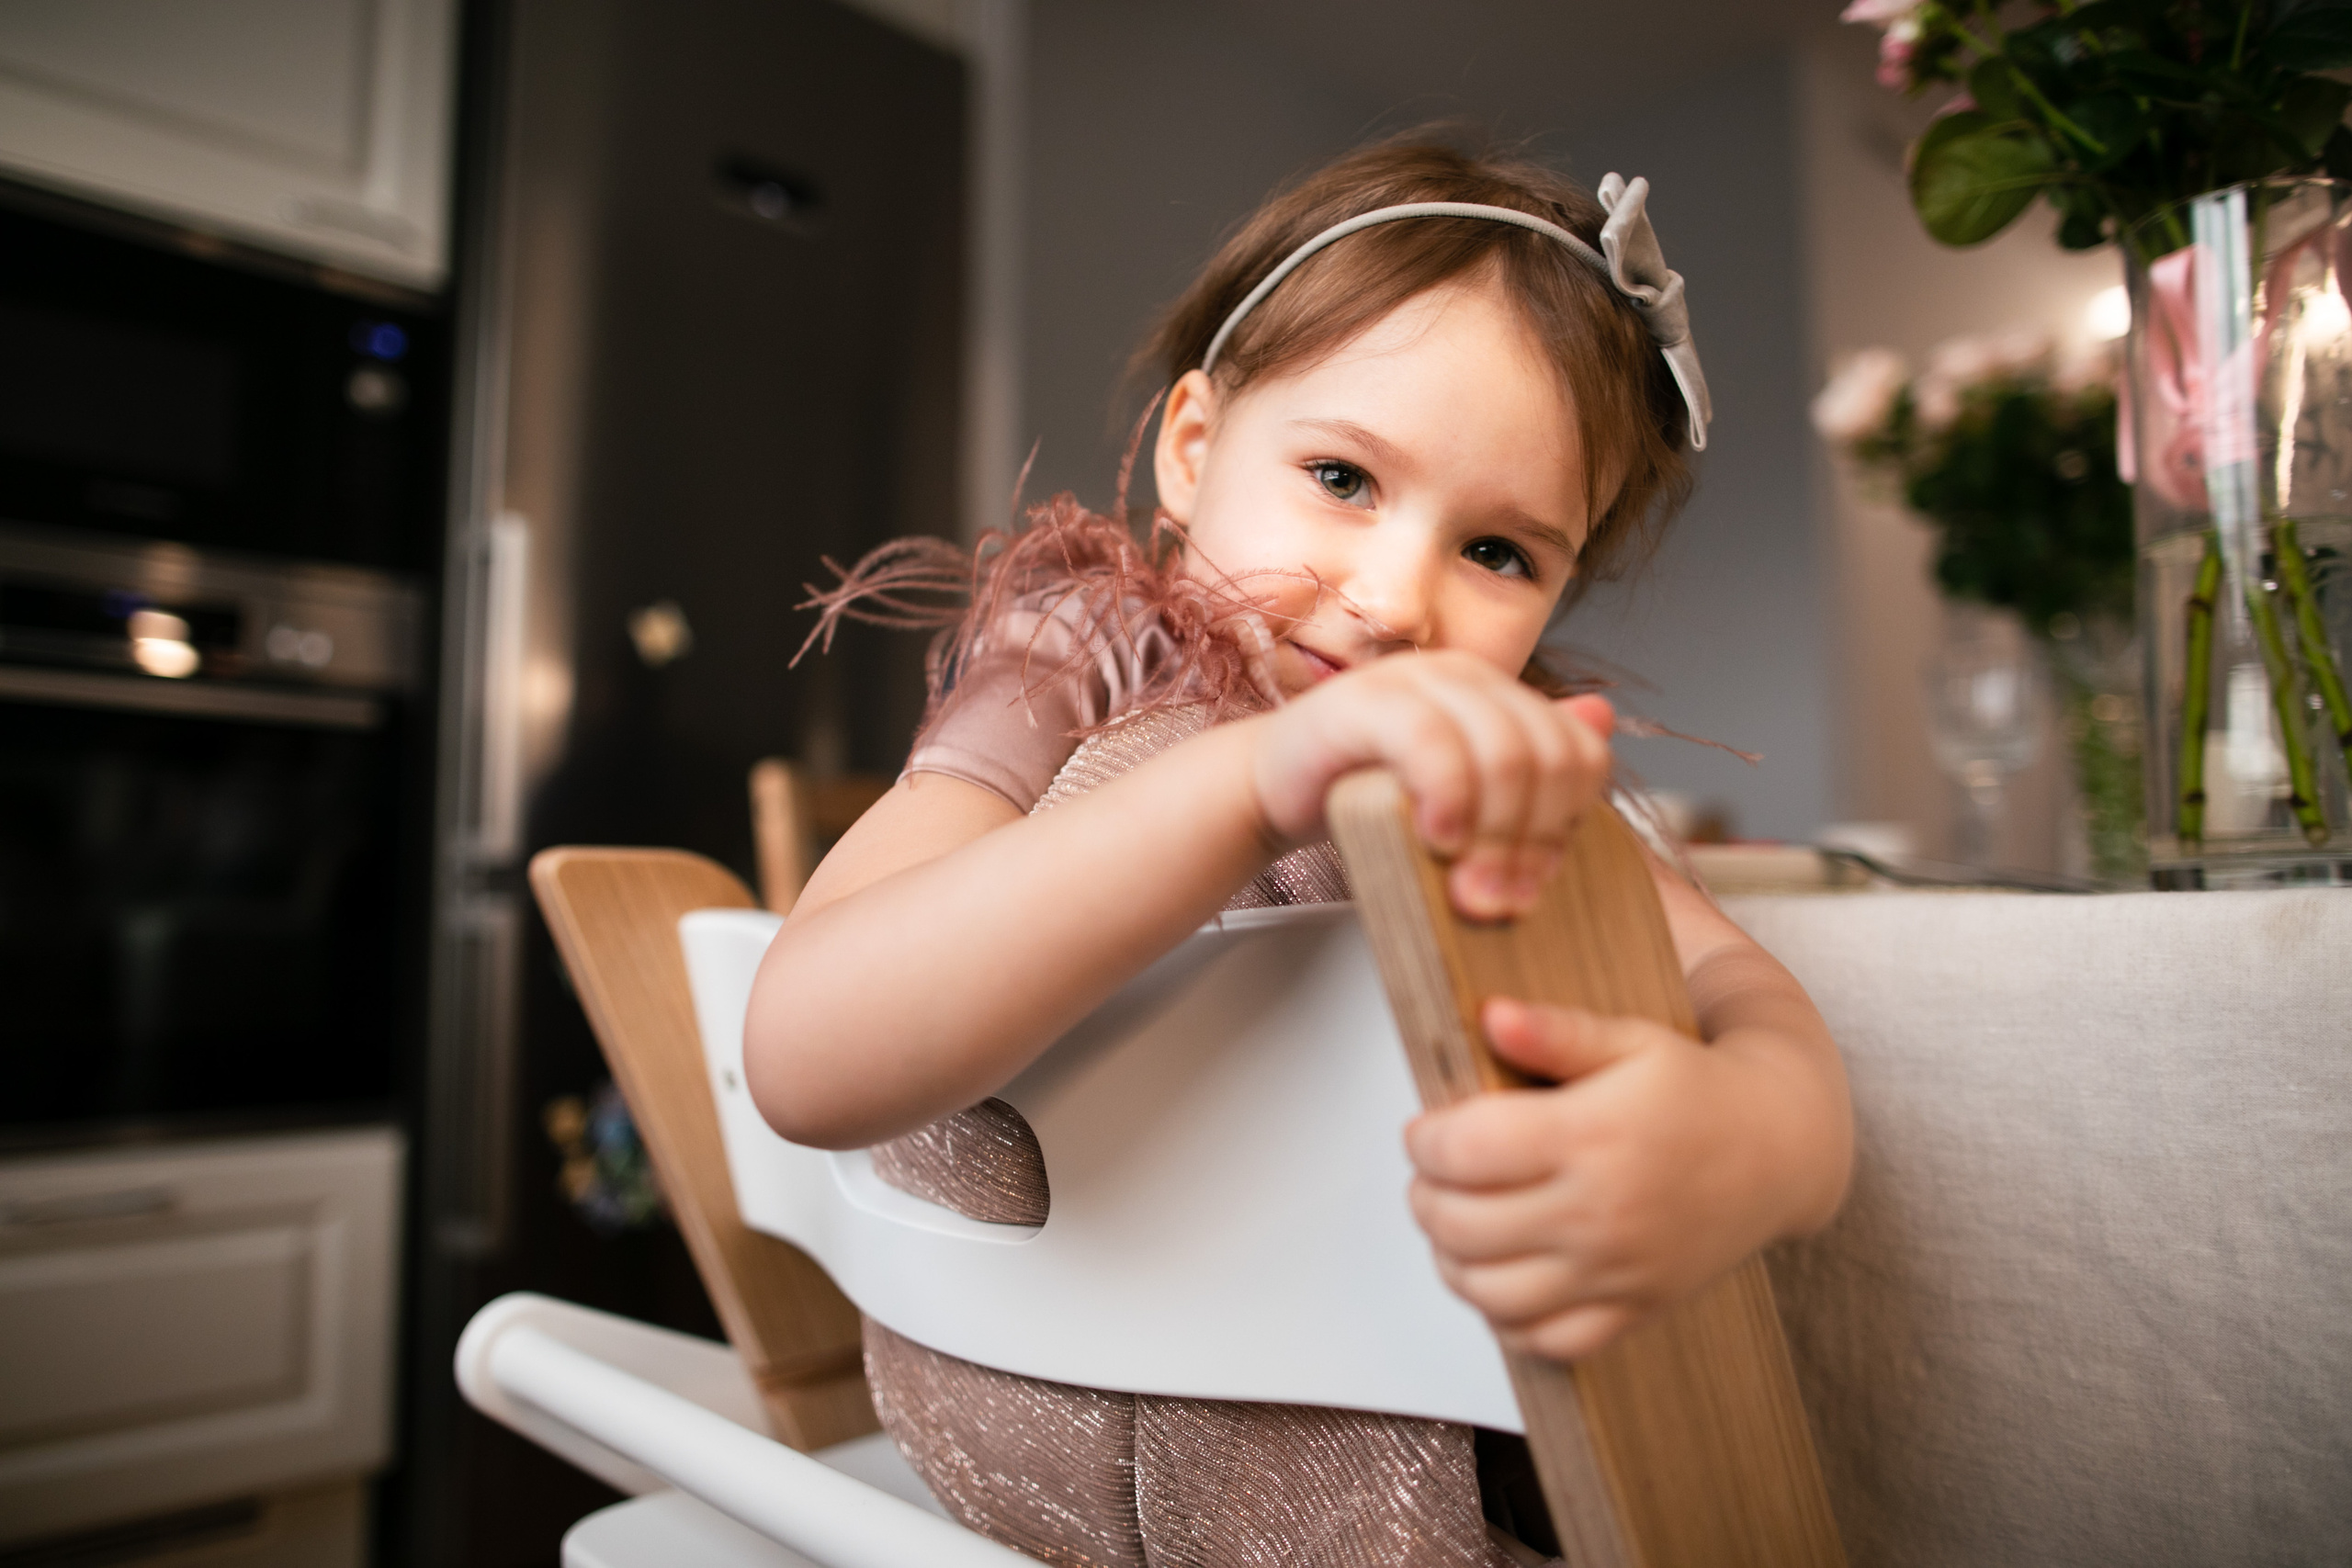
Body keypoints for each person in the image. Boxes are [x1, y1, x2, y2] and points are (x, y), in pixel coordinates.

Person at [744, 136, 1853, 1567]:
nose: (1395, 600)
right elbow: (804, 1049)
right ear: (1195, 447)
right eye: (1342, 475)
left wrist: (1753, 1147)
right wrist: (1250, 781)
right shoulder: (1081, 660)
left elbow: (1757, 1004)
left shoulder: (1499, 761)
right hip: (1042, 1444)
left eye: (1503, 554)